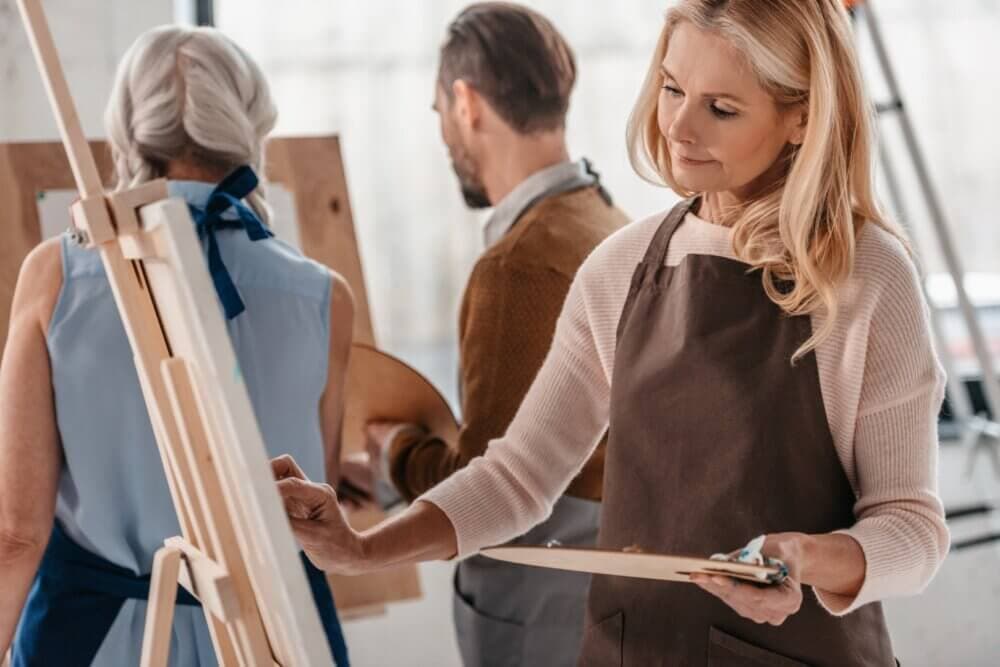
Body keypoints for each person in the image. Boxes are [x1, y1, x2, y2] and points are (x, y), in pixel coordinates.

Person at [274, 0, 949, 664]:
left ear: (800, 118)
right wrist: (361, 550)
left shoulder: (866, 279)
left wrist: (805, 557)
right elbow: (517, 477)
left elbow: (913, 530)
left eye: (721, 108)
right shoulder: (623, 266)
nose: (680, 127)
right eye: (672, 87)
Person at [0, 26, 351, 666]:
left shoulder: (56, 276)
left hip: (95, 641)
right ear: (251, 126)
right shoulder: (323, 296)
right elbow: (311, 502)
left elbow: (17, 533)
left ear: (130, 134)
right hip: (271, 640)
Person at [341, 4, 627, 665]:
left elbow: (488, 483)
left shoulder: (517, 265)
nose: (444, 134)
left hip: (541, 594)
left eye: (440, 110)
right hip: (601, 580)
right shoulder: (609, 222)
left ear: (466, 103)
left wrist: (394, 450)